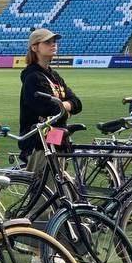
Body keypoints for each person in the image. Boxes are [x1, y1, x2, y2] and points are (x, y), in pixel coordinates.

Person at [19, 28, 82, 176]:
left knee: (58, 191)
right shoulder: (32, 77)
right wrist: (64, 107)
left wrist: (62, 107)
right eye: (47, 42)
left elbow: (77, 103)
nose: (53, 44)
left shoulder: (54, 76)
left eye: (54, 42)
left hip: (56, 140)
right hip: (39, 143)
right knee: (45, 192)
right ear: (34, 47)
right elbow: (48, 109)